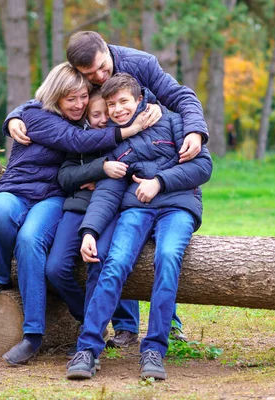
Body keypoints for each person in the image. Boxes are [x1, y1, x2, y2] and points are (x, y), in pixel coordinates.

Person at [0, 63, 151, 367]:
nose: (80, 104)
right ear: (56, 96)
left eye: (83, 97)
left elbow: (100, 135)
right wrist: (13, 117)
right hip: (17, 189)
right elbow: (76, 143)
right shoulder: (35, 115)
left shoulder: (87, 122)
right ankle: (1, 273)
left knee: (31, 238)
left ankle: (33, 334)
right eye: (71, 98)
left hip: (52, 197)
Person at [66, 73, 213, 380]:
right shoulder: (114, 141)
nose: (118, 110)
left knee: (168, 258)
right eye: (111, 105)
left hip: (177, 207)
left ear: (138, 99)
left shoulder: (172, 122)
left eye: (123, 102)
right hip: (136, 210)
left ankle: (154, 349)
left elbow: (203, 167)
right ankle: (88, 348)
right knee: (115, 262)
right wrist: (90, 231)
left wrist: (159, 182)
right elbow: (107, 192)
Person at [6, 31, 207, 165]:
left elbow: (180, 96)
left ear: (106, 48)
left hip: (147, 150)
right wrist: (15, 116)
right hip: (99, 155)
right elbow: (49, 98)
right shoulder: (77, 77)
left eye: (102, 67)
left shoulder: (142, 63)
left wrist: (195, 130)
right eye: (90, 74)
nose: (100, 77)